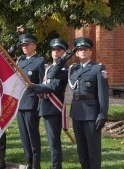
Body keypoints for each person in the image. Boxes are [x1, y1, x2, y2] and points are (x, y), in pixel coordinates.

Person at [68, 37, 109, 169]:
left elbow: (103, 94)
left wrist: (102, 114)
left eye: (85, 49)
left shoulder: (97, 69)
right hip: (77, 113)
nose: (83, 51)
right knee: (82, 151)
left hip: (91, 114)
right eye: (80, 49)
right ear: (76, 53)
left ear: (91, 52)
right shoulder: (73, 69)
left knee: (93, 151)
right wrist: (64, 58)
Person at [32, 38, 69, 169]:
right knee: (50, 141)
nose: (55, 52)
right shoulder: (49, 68)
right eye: (53, 50)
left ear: (64, 52)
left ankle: (56, 167)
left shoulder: (63, 70)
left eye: (58, 50)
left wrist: (36, 86)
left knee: (54, 142)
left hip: (54, 108)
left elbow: (54, 87)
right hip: (46, 107)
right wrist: (39, 89)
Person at [16, 33, 46, 169]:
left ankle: (35, 163)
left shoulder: (40, 61)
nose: (25, 47)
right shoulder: (20, 61)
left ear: (34, 45)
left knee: (32, 135)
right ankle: (28, 160)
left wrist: (40, 103)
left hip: (31, 103)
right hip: (20, 103)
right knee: (24, 135)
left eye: (27, 44)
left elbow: (42, 84)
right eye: (23, 45)